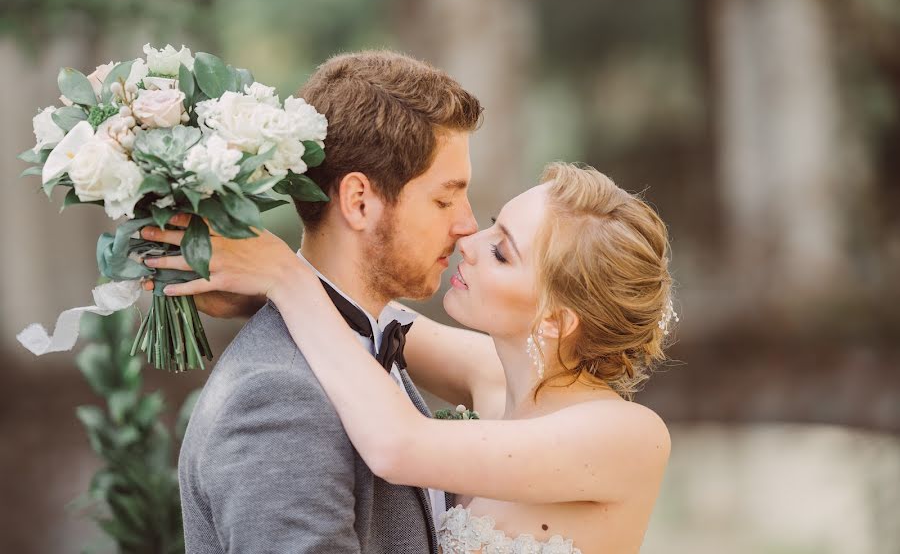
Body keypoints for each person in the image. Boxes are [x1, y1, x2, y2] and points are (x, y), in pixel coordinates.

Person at [144, 162, 675, 553]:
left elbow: (397, 445)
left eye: (501, 251)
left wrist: (283, 276)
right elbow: (355, 304)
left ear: (557, 319)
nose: (469, 238)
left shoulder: (625, 435)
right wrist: (239, 262)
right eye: (492, 222)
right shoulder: (495, 377)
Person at [161, 50, 483, 553]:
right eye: (444, 199)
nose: (468, 226)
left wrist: (285, 279)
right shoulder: (275, 397)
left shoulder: (364, 343)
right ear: (358, 201)